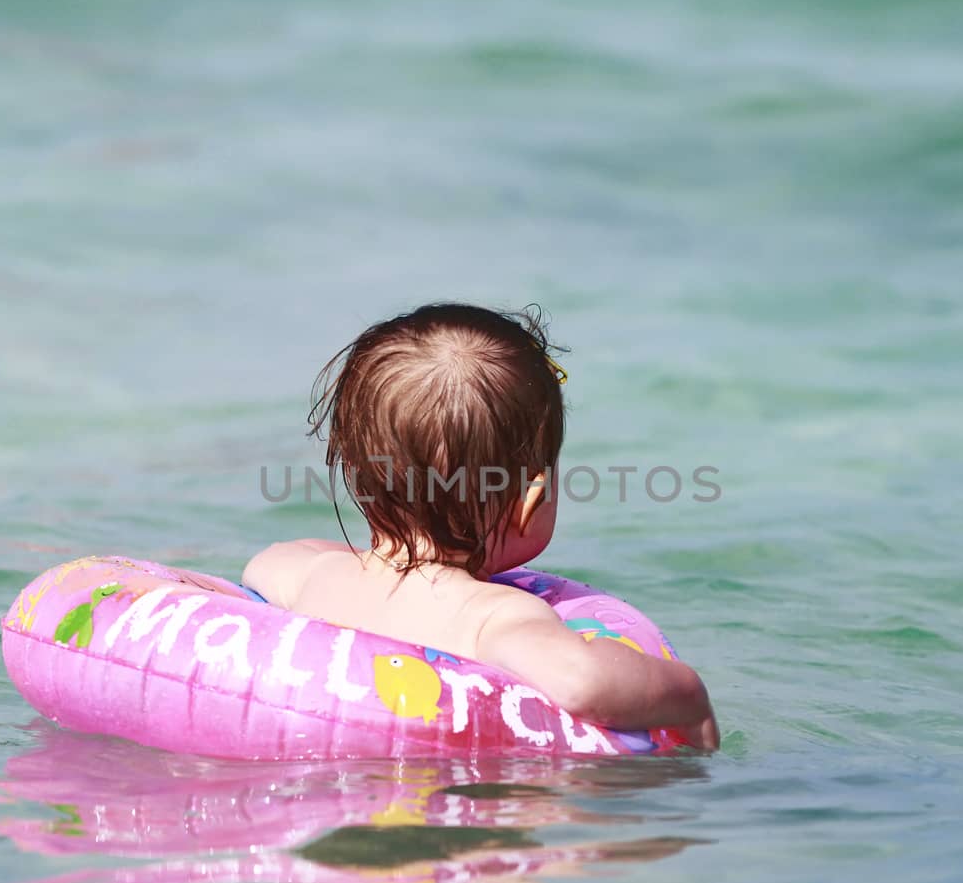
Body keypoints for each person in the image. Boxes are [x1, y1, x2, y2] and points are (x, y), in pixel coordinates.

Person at [243, 302, 719, 750]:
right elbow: (581, 683)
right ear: (529, 499)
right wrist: (687, 695)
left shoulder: (316, 575)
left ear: (356, 473)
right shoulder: (494, 617)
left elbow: (262, 565)